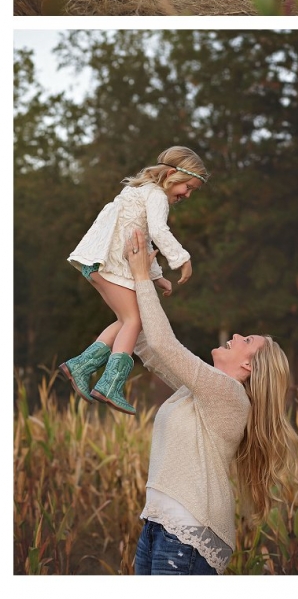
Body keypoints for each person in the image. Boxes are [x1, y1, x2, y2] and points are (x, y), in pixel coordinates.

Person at [127, 229, 298, 575]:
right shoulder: (201, 391)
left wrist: (143, 276)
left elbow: (163, 343)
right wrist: (119, 277)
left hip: (188, 534)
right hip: (160, 525)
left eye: (246, 340)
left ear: (249, 367)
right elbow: (146, 343)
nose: (235, 335)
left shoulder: (229, 395)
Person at [60, 147, 207, 417]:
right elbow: (159, 231)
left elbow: (142, 238)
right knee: (135, 321)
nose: (187, 195)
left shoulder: (139, 191)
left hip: (96, 262)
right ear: (171, 174)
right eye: (187, 187)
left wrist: (157, 276)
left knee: (125, 320)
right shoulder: (157, 196)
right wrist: (181, 258)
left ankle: (81, 365)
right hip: (110, 264)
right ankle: (110, 385)